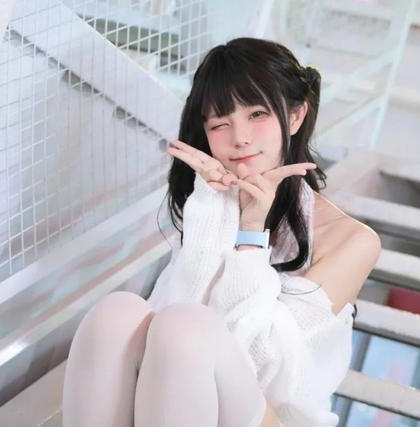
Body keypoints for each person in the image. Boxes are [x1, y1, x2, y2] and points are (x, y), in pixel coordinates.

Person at [62, 37, 381, 427]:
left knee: (185, 329)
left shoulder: (352, 241)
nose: (239, 137)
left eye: (257, 113)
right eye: (220, 123)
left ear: (296, 116)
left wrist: (251, 235)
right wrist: (215, 206)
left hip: (272, 416)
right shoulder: (213, 205)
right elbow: (173, 324)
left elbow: (262, 365)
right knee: (116, 314)